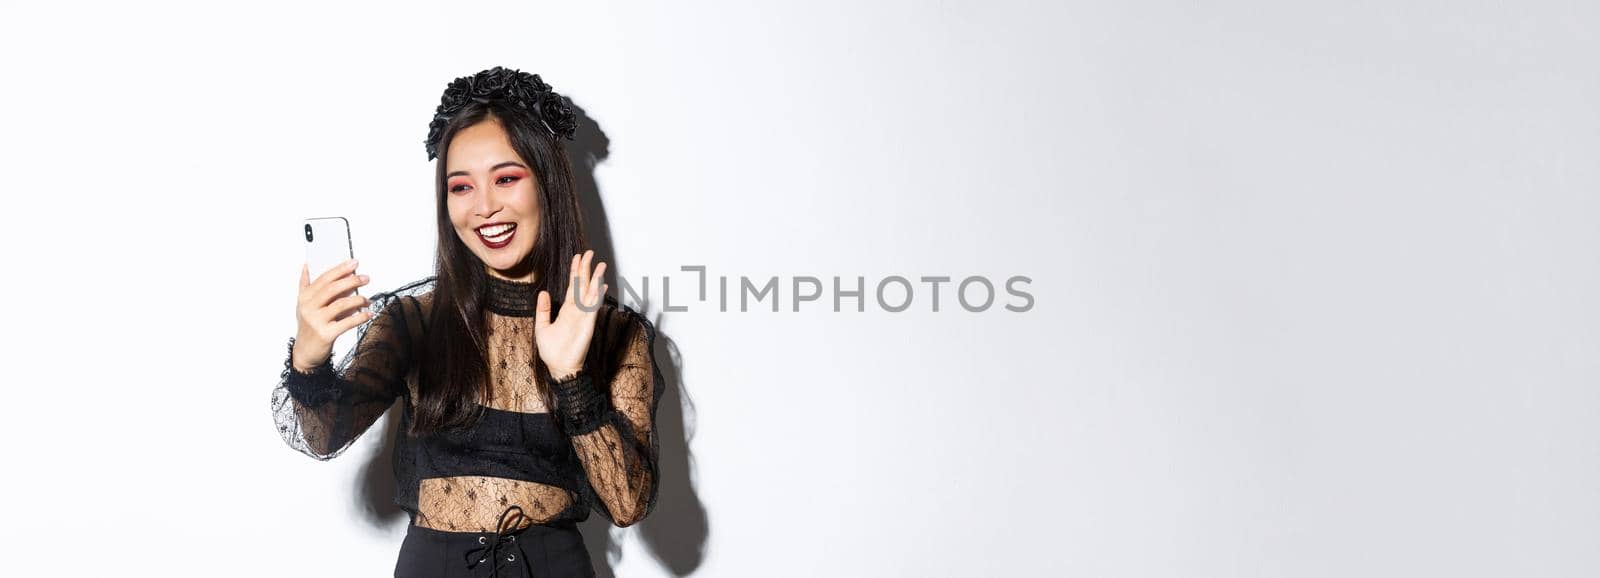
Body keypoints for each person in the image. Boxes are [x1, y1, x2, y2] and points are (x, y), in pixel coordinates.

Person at [272, 66, 663, 577]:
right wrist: (309, 361)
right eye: (461, 187)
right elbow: (321, 438)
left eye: (506, 178)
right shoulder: (415, 320)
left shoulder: (613, 333)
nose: (484, 208)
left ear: (547, 183)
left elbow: (628, 504)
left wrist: (571, 380)